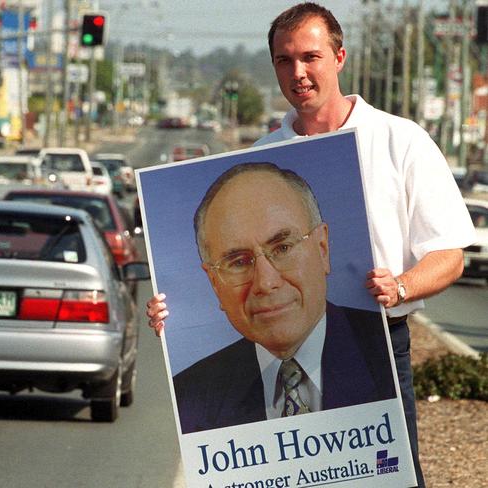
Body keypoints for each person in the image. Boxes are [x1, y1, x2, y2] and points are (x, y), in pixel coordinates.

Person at [146, 3, 476, 488]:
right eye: (284, 60)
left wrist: (401, 287)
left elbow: (450, 254)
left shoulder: (400, 141)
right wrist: (169, 315)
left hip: (378, 350)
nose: (298, 72)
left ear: (339, 57)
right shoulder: (258, 158)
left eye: (310, 57)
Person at [173, 162, 395, 434]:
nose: (265, 283)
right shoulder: (191, 396)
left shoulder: (386, 357)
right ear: (214, 284)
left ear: (322, 249)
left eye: (282, 248)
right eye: (239, 262)